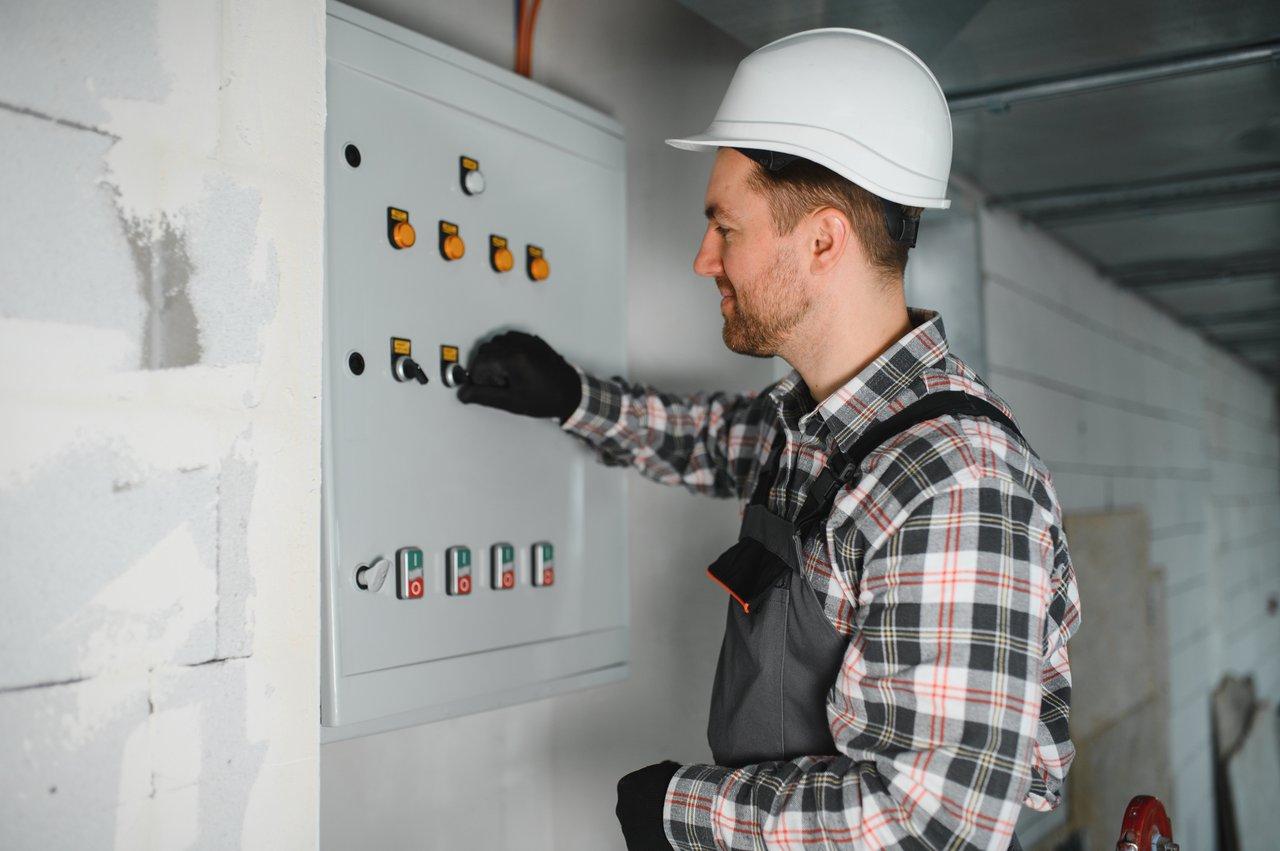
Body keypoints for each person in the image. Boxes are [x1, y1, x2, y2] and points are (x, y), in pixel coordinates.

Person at [457, 28, 1080, 851]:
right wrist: (576, 399)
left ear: (822, 240)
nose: (702, 259)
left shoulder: (957, 485)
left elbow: (935, 828)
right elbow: (717, 440)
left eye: (727, 227)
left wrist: (682, 809)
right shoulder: (827, 426)